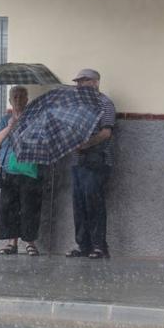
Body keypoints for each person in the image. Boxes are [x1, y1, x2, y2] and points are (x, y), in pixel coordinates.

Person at [65, 69, 116, 259]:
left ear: (95, 83)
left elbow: (106, 133)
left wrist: (86, 144)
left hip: (97, 160)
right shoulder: (78, 106)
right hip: (78, 162)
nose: (79, 85)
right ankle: (83, 245)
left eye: (83, 81)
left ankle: (99, 246)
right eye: (77, 82)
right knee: (79, 205)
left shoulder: (105, 103)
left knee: (94, 204)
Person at [0, 86, 44, 256]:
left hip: (29, 169)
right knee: (9, 207)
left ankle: (30, 243)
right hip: (8, 169)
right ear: (10, 101)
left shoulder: (34, 119)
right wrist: (9, 128)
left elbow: (41, 142)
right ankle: (11, 243)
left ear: (27, 99)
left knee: (29, 207)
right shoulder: (5, 119)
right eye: (15, 97)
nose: (18, 100)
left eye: (21, 97)